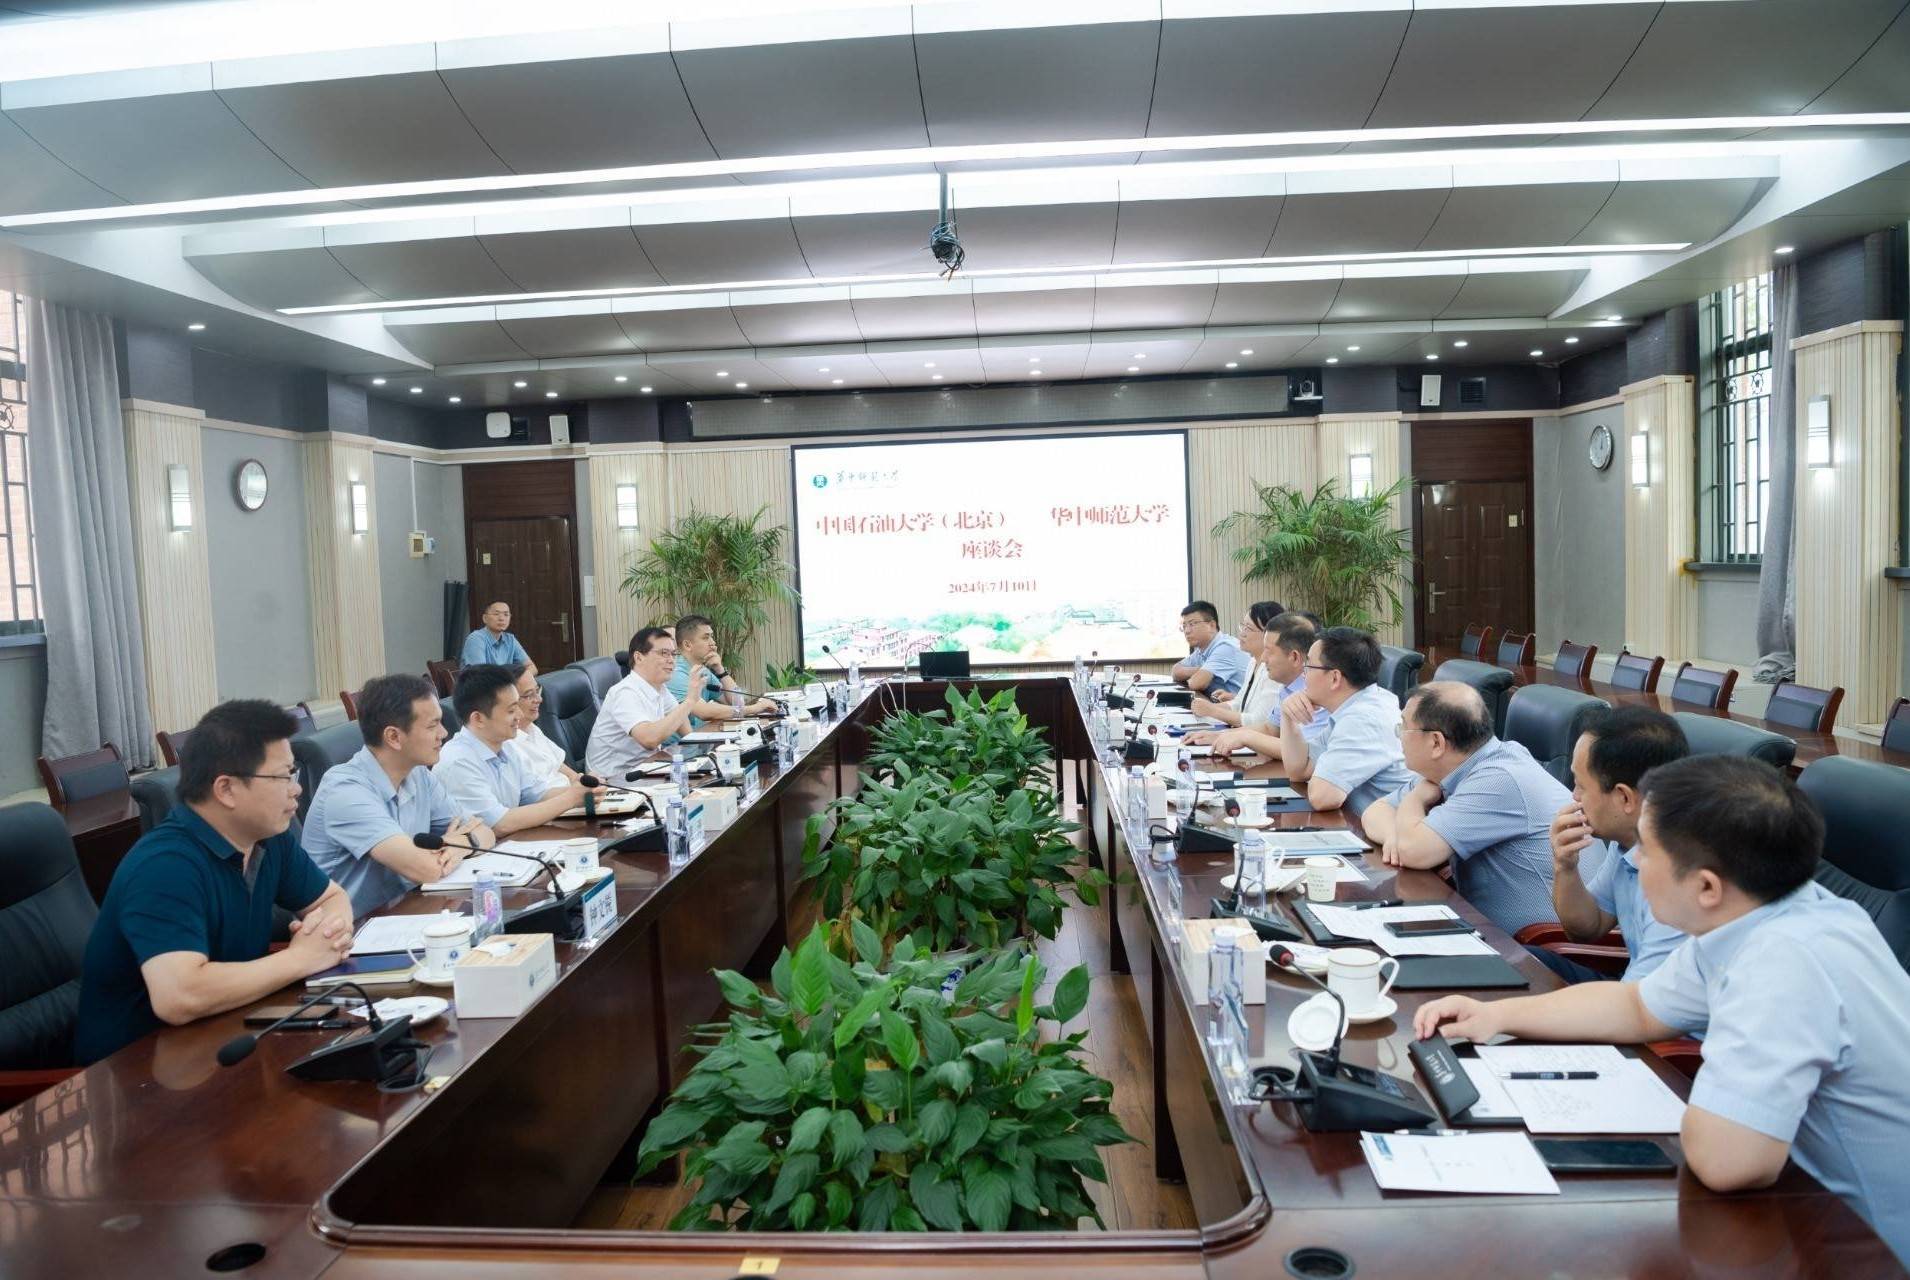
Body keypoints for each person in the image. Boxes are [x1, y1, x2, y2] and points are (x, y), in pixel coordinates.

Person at [1415, 757, 1910, 1266]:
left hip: (1864, 1249)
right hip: (1803, 1209)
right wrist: (1498, 1016)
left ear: (1706, 887)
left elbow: (1727, 1161)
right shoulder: (1773, 912)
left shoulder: (1784, 964)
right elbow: (1637, 1006)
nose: (1633, 862)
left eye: (1646, 851)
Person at [73, 701, 355, 1064]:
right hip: (137, 1069)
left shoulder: (268, 838)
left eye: (294, 773)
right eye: (283, 776)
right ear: (226, 789)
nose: (296, 789)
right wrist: (300, 958)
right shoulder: (165, 866)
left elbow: (331, 898)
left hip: (228, 1035)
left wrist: (327, 934)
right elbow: (179, 996)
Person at [1359, 681, 1563, 934]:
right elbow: (1374, 812)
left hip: (1535, 946)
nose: (1398, 736)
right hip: (1477, 924)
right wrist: (1395, 837)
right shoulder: (1456, 765)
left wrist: (1414, 801)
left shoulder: (1499, 779)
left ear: (1436, 743)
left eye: (1403, 728)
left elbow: (1413, 852)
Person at [305, 673, 496, 916]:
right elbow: (425, 869)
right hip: (352, 929)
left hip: (407, 911)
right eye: (432, 725)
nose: (444, 733)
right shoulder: (345, 791)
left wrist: (461, 845)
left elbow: (485, 831)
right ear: (394, 737)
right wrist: (459, 844)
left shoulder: (419, 775)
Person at [1536, 705, 1692, 984]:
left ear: (1625, 798)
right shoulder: (1628, 841)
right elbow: (1588, 927)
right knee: (1526, 962)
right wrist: (1565, 865)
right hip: (1633, 990)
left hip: (1653, 1004)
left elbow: (1641, 1005)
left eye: (1581, 785)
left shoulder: (1681, 880)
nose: (1574, 796)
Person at [1259, 626, 1412, 815]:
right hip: (1361, 822)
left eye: (1308, 666)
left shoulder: (1363, 719)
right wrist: (1288, 717)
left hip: (1384, 830)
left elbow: (1322, 797)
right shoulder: (1355, 706)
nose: (1303, 675)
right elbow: (1299, 770)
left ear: (1334, 678)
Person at [433, 664, 591, 836]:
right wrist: (570, 799)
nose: (520, 715)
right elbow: (500, 824)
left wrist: (583, 792)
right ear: (478, 718)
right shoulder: (457, 762)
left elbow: (538, 795)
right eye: (511, 710)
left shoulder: (506, 745)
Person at [1197, 612, 1329, 759]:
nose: (1264, 658)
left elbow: (1304, 752)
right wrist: (1220, 736)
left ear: (1294, 657)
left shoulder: (1316, 691)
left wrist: (1246, 737)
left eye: (1269, 651)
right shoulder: (1287, 687)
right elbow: (1270, 729)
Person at [585, 626, 704, 780]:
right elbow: (649, 739)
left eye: (673, 654)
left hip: (647, 767)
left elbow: (687, 732)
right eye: (664, 653)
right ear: (639, 657)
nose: (671, 660)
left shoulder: (659, 687)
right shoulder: (625, 693)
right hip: (613, 780)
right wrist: (690, 701)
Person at [669, 614, 776, 727]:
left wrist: (720, 670)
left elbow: (737, 702)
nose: (713, 643)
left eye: (711, 637)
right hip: (686, 738)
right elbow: (705, 712)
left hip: (703, 735)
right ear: (687, 645)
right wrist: (755, 708)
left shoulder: (703, 671)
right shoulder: (676, 674)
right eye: (706, 638)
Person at [1187, 601, 1282, 729]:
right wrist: (1207, 708)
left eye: (1248, 628)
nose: (1242, 633)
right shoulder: (1253, 662)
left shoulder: (1274, 671)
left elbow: (1259, 722)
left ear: (1268, 635)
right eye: (1243, 626)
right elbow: (1238, 704)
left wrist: (1212, 711)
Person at [504, 660, 587, 793]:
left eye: (537, 691)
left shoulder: (532, 728)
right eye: (529, 695)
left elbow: (560, 765)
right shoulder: (508, 745)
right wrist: (577, 793)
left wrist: (582, 781)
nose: (539, 699)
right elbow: (534, 797)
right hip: (559, 801)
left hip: (571, 795)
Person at [1169, 601, 1251, 696]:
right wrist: (1201, 670)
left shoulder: (1226, 647)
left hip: (1239, 705)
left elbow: (1196, 683)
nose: (1187, 631)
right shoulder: (1201, 649)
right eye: (1184, 626)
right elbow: (1175, 671)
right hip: (1218, 703)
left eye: (1192, 624)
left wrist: (1201, 673)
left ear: (1211, 625)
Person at [460, 600, 530, 667]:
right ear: (485, 618)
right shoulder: (475, 638)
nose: (501, 618)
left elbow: (531, 666)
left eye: (506, 614)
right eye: (496, 614)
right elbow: (480, 672)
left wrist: (524, 675)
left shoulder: (510, 639)